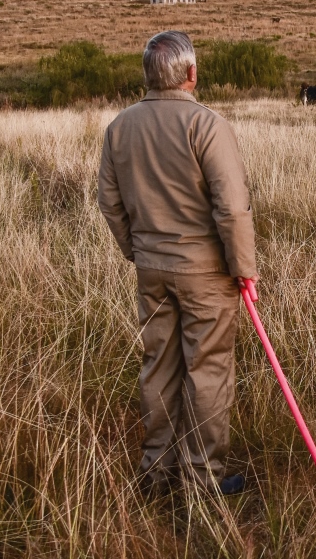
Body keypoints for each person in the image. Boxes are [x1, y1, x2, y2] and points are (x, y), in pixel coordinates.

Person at [98, 30, 257, 496]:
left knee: (159, 366)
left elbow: (109, 202)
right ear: (191, 73)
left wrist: (136, 251)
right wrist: (244, 269)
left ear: (149, 74)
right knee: (207, 370)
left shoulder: (119, 126)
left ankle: (157, 473)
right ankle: (201, 481)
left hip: (150, 269)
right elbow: (232, 207)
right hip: (207, 274)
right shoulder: (207, 125)